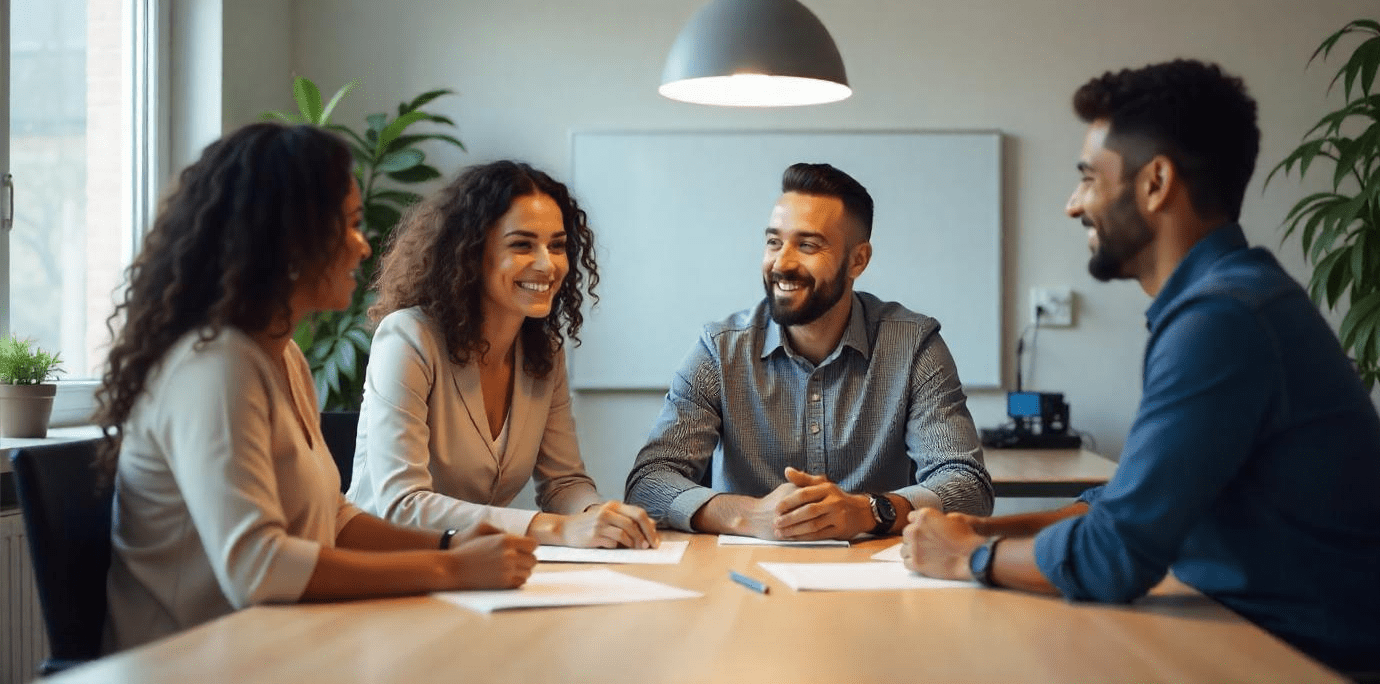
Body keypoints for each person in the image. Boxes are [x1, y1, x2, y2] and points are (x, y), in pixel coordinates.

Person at [901, 59, 1380, 672]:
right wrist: (979, 532)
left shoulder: (1222, 319)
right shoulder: (1234, 298)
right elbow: (1129, 503)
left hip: (1312, 661)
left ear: (1155, 182)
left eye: (1089, 177)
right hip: (1254, 635)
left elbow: (1115, 555)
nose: (1073, 205)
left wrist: (965, 559)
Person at [95, 124, 538, 653]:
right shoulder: (213, 367)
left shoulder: (281, 353)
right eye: (348, 225)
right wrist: (448, 567)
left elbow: (335, 517)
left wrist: (449, 542)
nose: (362, 245)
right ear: (287, 239)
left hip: (274, 647)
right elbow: (257, 567)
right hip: (191, 663)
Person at [625, 163, 993, 541]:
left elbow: (968, 487)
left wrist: (869, 511)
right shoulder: (720, 350)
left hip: (875, 582)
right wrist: (748, 515)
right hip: (740, 580)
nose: (782, 263)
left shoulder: (913, 346)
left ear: (858, 260)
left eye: (807, 245)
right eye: (773, 242)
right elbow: (649, 483)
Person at [346, 161, 658, 550]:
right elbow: (401, 505)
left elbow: (564, 483)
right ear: (472, 253)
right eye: (522, 244)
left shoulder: (543, 353)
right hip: (383, 565)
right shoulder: (409, 337)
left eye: (557, 245)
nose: (548, 264)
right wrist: (554, 529)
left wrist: (599, 515)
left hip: (472, 569)